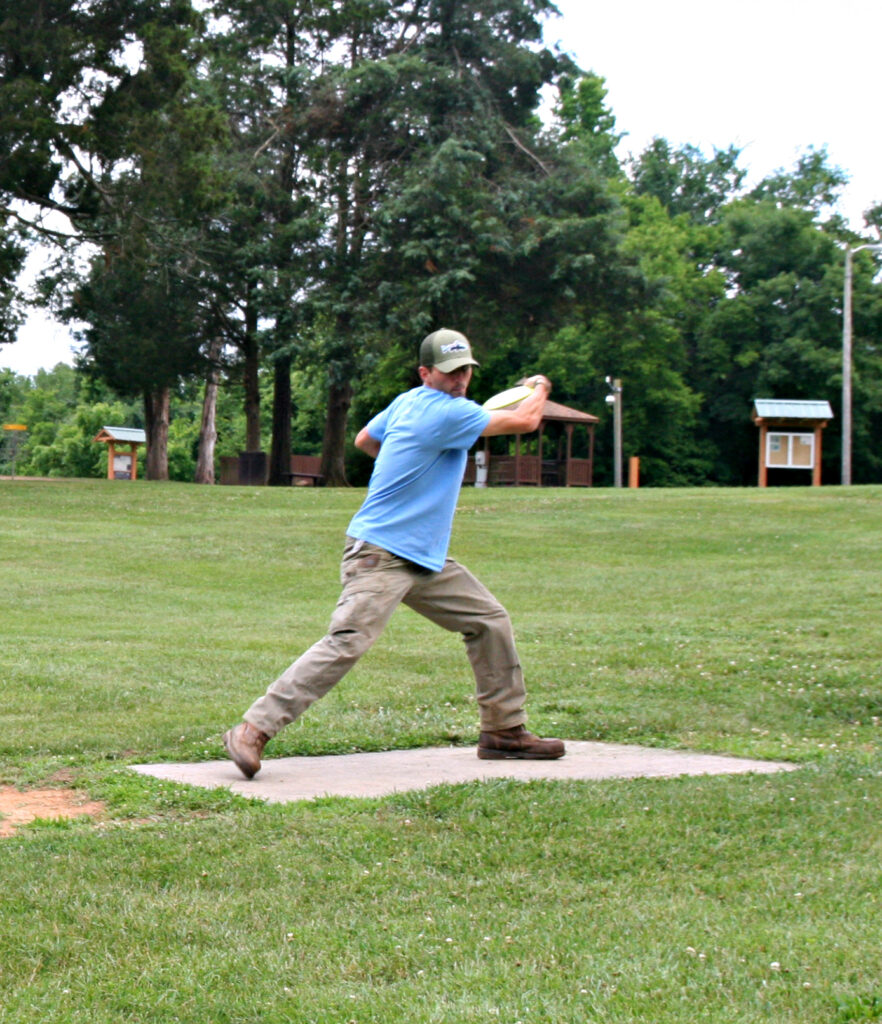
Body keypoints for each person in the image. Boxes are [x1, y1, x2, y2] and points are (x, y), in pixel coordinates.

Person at [223, 328, 564, 778]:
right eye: (449, 371)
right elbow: (525, 422)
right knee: (348, 641)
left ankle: (503, 732)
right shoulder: (449, 413)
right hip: (381, 554)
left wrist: (407, 456)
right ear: (426, 372)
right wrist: (539, 386)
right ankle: (252, 730)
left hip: (423, 557)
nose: (460, 379)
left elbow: (366, 439)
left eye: (465, 370)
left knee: (489, 621)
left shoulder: (407, 403)